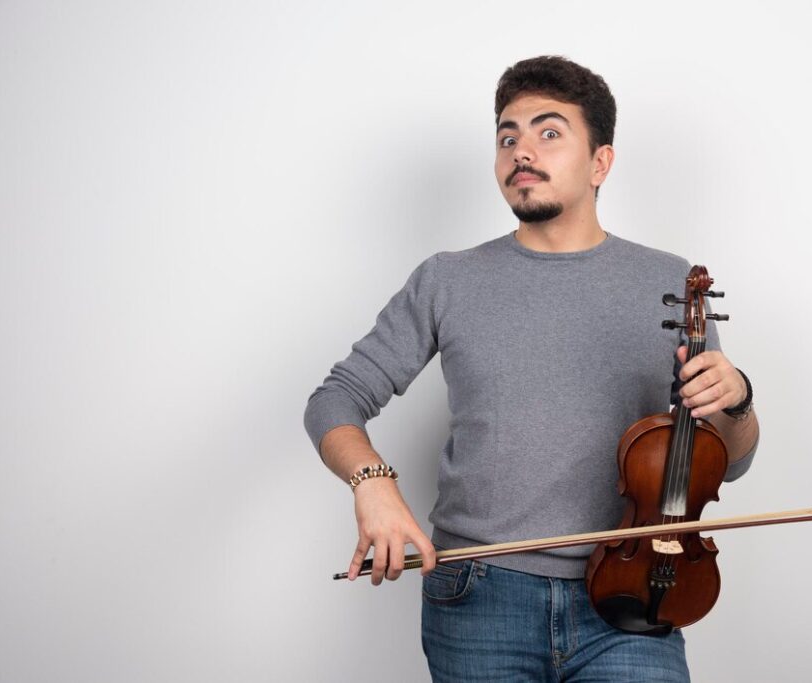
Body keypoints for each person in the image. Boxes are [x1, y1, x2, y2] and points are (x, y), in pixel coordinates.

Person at [304, 55, 760, 682]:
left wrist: (735, 400)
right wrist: (372, 482)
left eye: (549, 132)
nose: (522, 151)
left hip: (633, 593)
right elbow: (335, 400)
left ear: (601, 162)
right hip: (478, 596)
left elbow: (728, 461)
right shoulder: (448, 278)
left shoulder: (670, 281)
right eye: (507, 136)